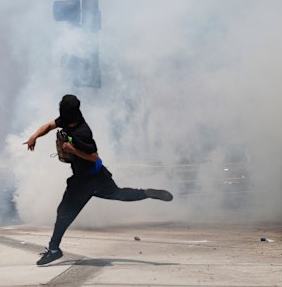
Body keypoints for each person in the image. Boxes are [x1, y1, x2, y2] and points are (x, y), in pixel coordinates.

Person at [24, 94, 173, 265]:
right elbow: (49, 125)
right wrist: (34, 136)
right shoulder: (68, 119)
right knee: (120, 194)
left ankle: (54, 250)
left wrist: (72, 150)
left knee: (63, 214)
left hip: (84, 181)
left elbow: (94, 156)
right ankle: (146, 193)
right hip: (98, 176)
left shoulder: (82, 132)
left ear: (66, 111)